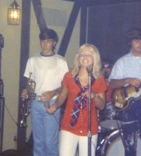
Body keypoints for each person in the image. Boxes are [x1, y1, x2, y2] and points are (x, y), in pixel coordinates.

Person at [108, 27, 141, 156]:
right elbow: (112, 83)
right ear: (130, 42)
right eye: (137, 40)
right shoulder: (122, 62)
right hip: (128, 106)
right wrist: (127, 80)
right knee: (129, 144)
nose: (140, 43)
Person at [47, 43, 107, 156]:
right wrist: (54, 106)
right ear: (78, 57)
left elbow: (102, 105)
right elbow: (62, 96)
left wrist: (94, 95)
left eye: (89, 54)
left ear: (95, 58)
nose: (85, 57)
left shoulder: (99, 79)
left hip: (89, 128)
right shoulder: (69, 76)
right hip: (69, 126)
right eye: (82, 54)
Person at [22, 28, 68, 156]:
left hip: (52, 103)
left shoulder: (61, 61)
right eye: (42, 41)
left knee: (50, 142)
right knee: (38, 142)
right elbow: (30, 83)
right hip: (36, 103)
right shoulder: (32, 60)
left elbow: (66, 86)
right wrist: (26, 91)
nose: (45, 44)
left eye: (48, 41)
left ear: (54, 43)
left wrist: (52, 93)